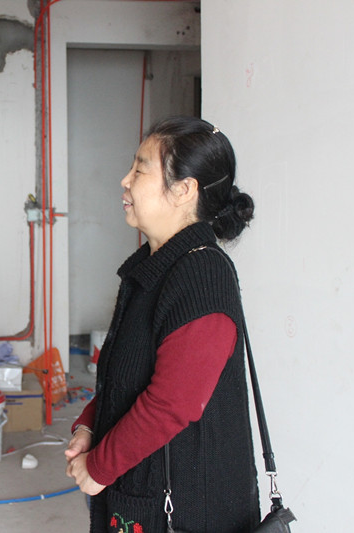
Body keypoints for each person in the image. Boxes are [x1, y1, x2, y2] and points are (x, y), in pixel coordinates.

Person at [65, 117, 260, 532]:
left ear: (184, 190)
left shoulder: (203, 276)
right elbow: (129, 377)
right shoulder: (154, 268)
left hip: (188, 508)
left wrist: (99, 467)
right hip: (146, 492)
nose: (125, 181)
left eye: (140, 169)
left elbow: (172, 402)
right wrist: (89, 425)